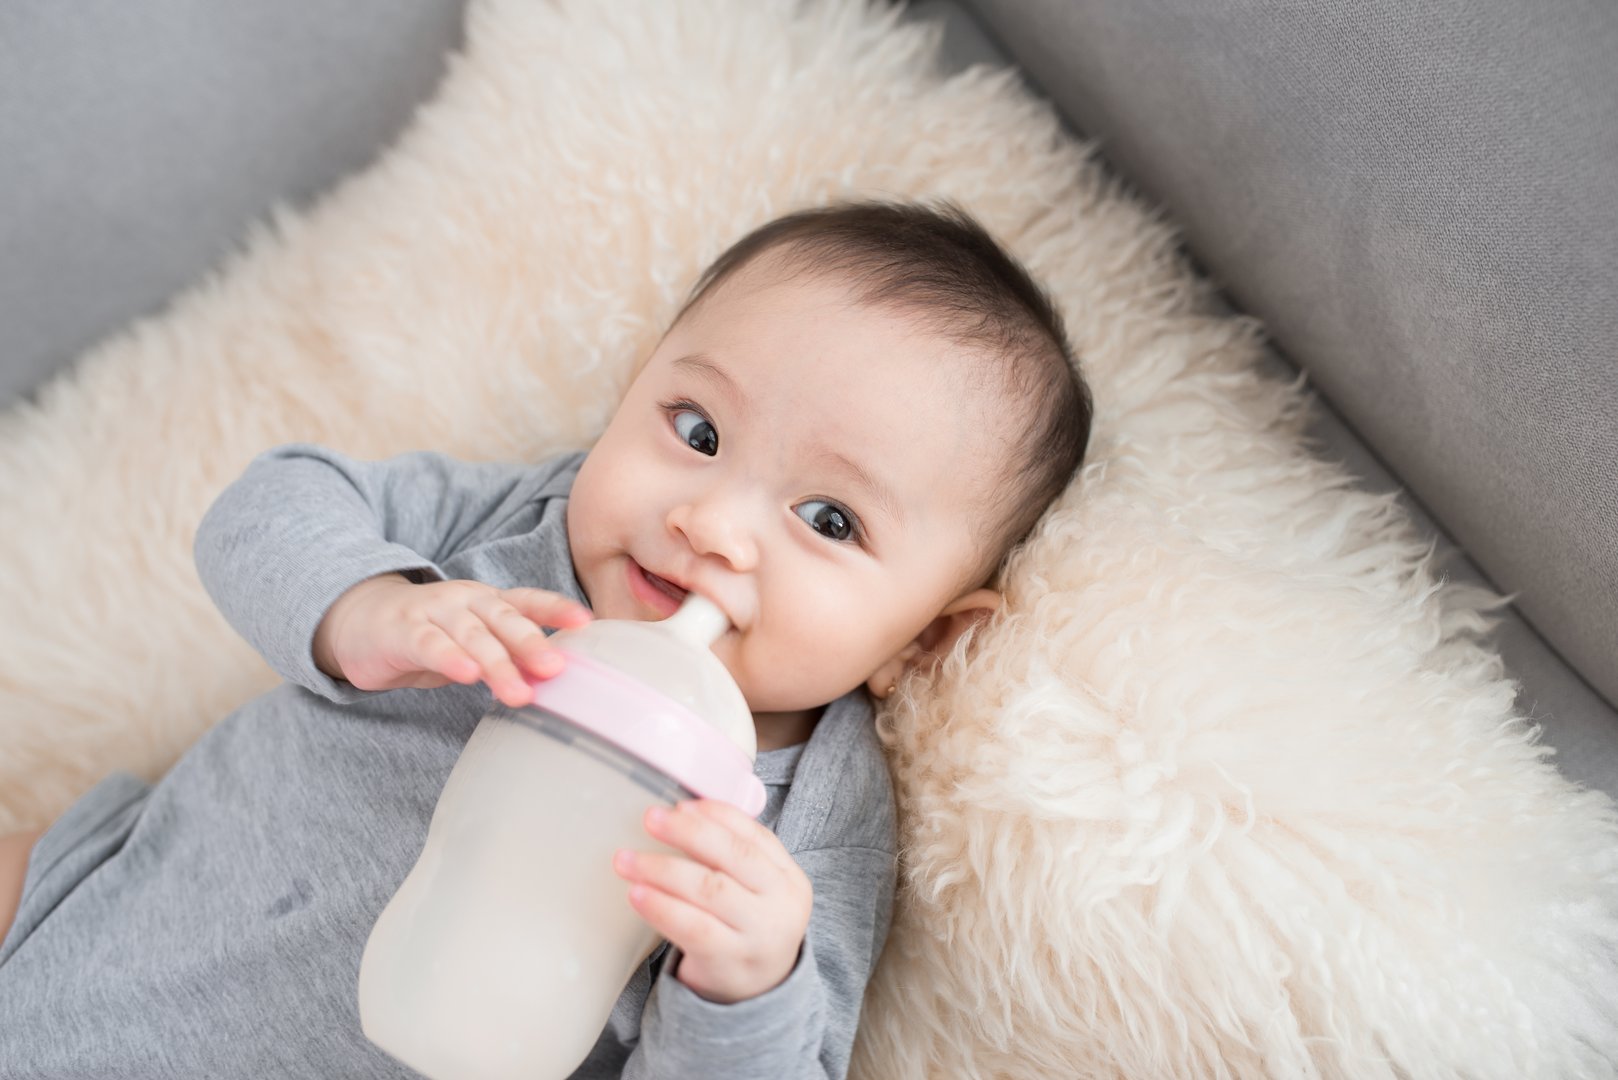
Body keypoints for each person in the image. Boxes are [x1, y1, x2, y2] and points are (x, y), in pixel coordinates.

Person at [0, 200, 1093, 1078]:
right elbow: (270, 506)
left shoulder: (799, 829)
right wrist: (369, 608)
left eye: (828, 521)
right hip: (91, 905)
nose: (710, 524)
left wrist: (743, 986)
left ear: (926, 643)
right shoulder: (521, 526)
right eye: (697, 432)